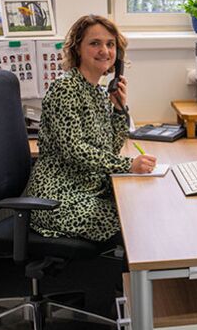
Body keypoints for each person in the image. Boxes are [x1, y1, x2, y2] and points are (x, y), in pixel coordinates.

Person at [24, 14, 156, 242]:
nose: (104, 51)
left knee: (144, 206)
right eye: (95, 43)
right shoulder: (65, 88)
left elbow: (109, 149)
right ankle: (139, 276)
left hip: (88, 188)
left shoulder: (98, 92)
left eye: (110, 44)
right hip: (59, 197)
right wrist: (129, 165)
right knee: (134, 220)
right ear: (77, 49)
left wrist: (118, 109)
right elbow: (74, 150)